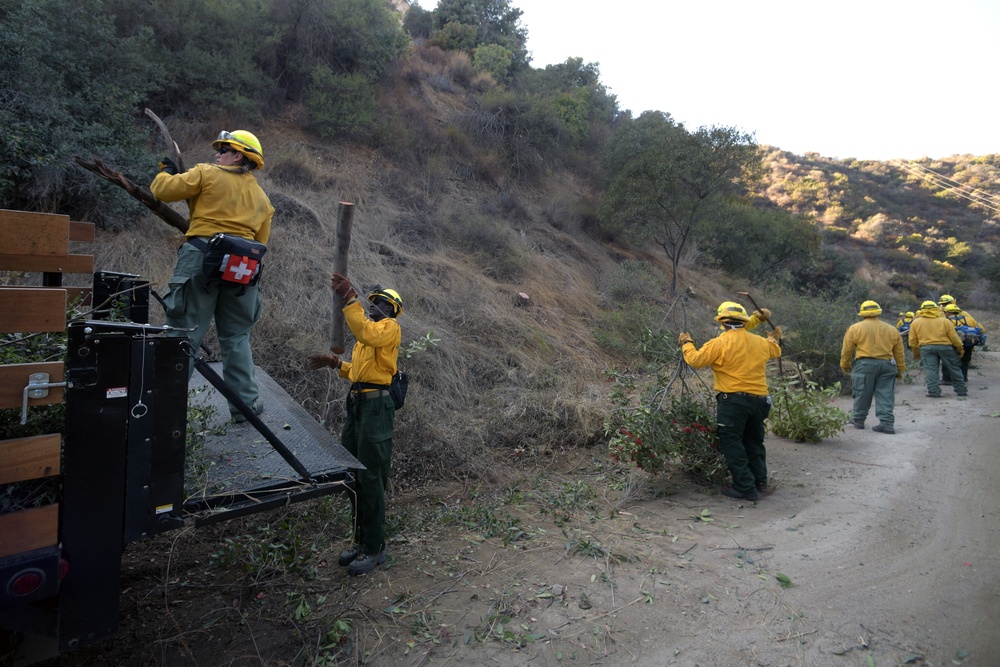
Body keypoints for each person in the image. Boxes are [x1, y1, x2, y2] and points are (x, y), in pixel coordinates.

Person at [151, 130, 274, 422]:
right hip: (242, 268)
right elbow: (261, 242)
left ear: (238, 155)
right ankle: (246, 407)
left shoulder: (205, 173)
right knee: (236, 336)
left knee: (183, 332)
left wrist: (166, 170)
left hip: (201, 259)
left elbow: (162, 190)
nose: (217, 153)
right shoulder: (263, 199)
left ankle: (165, 411)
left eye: (223, 149)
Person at [307, 274, 402, 575]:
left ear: (391, 309)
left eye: (379, 304)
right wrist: (336, 364)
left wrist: (350, 299)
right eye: (371, 303)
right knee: (353, 474)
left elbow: (366, 334)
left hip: (376, 408)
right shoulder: (370, 336)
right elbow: (361, 372)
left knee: (371, 478)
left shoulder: (388, 329)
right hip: (359, 405)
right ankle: (361, 542)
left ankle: (376, 548)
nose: (373, 307)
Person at [680, 301, 782, 501]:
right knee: (753, 441)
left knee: (731, 441)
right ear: (744, 321)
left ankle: (745, 487)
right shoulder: (761, 343)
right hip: (760, 401)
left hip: (733, 402)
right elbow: (775, 350)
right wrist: (773, 338)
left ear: (722, 322)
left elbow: (695, 360)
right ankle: (760, 483)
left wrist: (686, 343)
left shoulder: (719, 343)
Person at [840, 300, 905, 434]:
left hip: (865, 365)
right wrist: (899, 369)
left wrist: (845, 364)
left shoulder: (855, 328)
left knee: (862, 392)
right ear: (878, 313)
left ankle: (858, 420)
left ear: (862, 314)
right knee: (886, 394)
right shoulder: (892, 329)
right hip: (887, 365)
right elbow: (899, 352)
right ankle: (886, 423)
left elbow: (847, 349)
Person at [908, 300, 967, 398]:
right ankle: (961, 390)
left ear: (922, 310)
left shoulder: (916, 322)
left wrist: (916, 353)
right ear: (936, 309)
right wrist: (960, 349)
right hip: (945, 347)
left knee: (931, 370)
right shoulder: (945, 321)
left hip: (926, 348)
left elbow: (913, 341)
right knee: (954, 368)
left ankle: (934, 391)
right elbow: (954, 338)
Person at [943, 303, 982, 382]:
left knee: (948, 362)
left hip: (952, 344)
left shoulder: (946, 321)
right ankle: (963, 378)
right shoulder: (968, 319)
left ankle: (947, 379)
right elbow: (982, 329)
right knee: (965, 362)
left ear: (947, 312)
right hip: (968, 344)